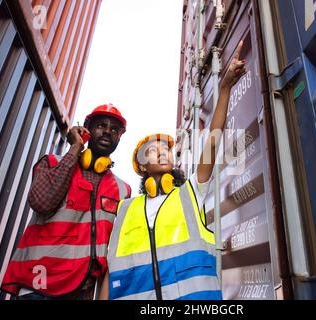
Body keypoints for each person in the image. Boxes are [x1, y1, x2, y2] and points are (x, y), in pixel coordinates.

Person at [99, 41, 246, 300]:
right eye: (153, 151)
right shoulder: (125, 210)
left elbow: (212, 141)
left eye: (166, 149)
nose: (163, 152)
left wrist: (224, 90)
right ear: (142, 167)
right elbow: (111, 271)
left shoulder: (190, 193)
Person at [1, 104, 131, 300]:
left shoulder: (123, 190)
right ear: (86, 129)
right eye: (101, 125)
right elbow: (42, 203)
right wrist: (75, 148)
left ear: (119, 138)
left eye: (114, 129)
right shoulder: (53, 163)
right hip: (39, 286)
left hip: (82, 291)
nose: (107, 132)